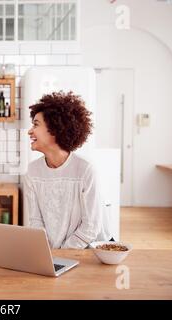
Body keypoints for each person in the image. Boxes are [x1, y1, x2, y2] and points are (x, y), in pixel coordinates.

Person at [24, 91, 111, 249]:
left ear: (55, 129)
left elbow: (91, 226)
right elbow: (35, 220)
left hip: (89, 251)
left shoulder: (85, 170)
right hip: (52, 254)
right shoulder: (33, 171)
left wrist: (63, 254)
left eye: (36, 124)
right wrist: (46, 252)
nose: (30, 131)